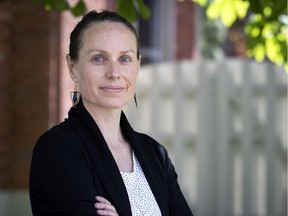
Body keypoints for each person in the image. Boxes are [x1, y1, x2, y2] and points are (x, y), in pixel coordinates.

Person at [29, 10, 193, 216]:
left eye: (125, 59)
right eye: (98, 58)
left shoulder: (155, 154)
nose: (114, 73)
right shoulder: (57, 149)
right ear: (73, 68)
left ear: (138, 66)